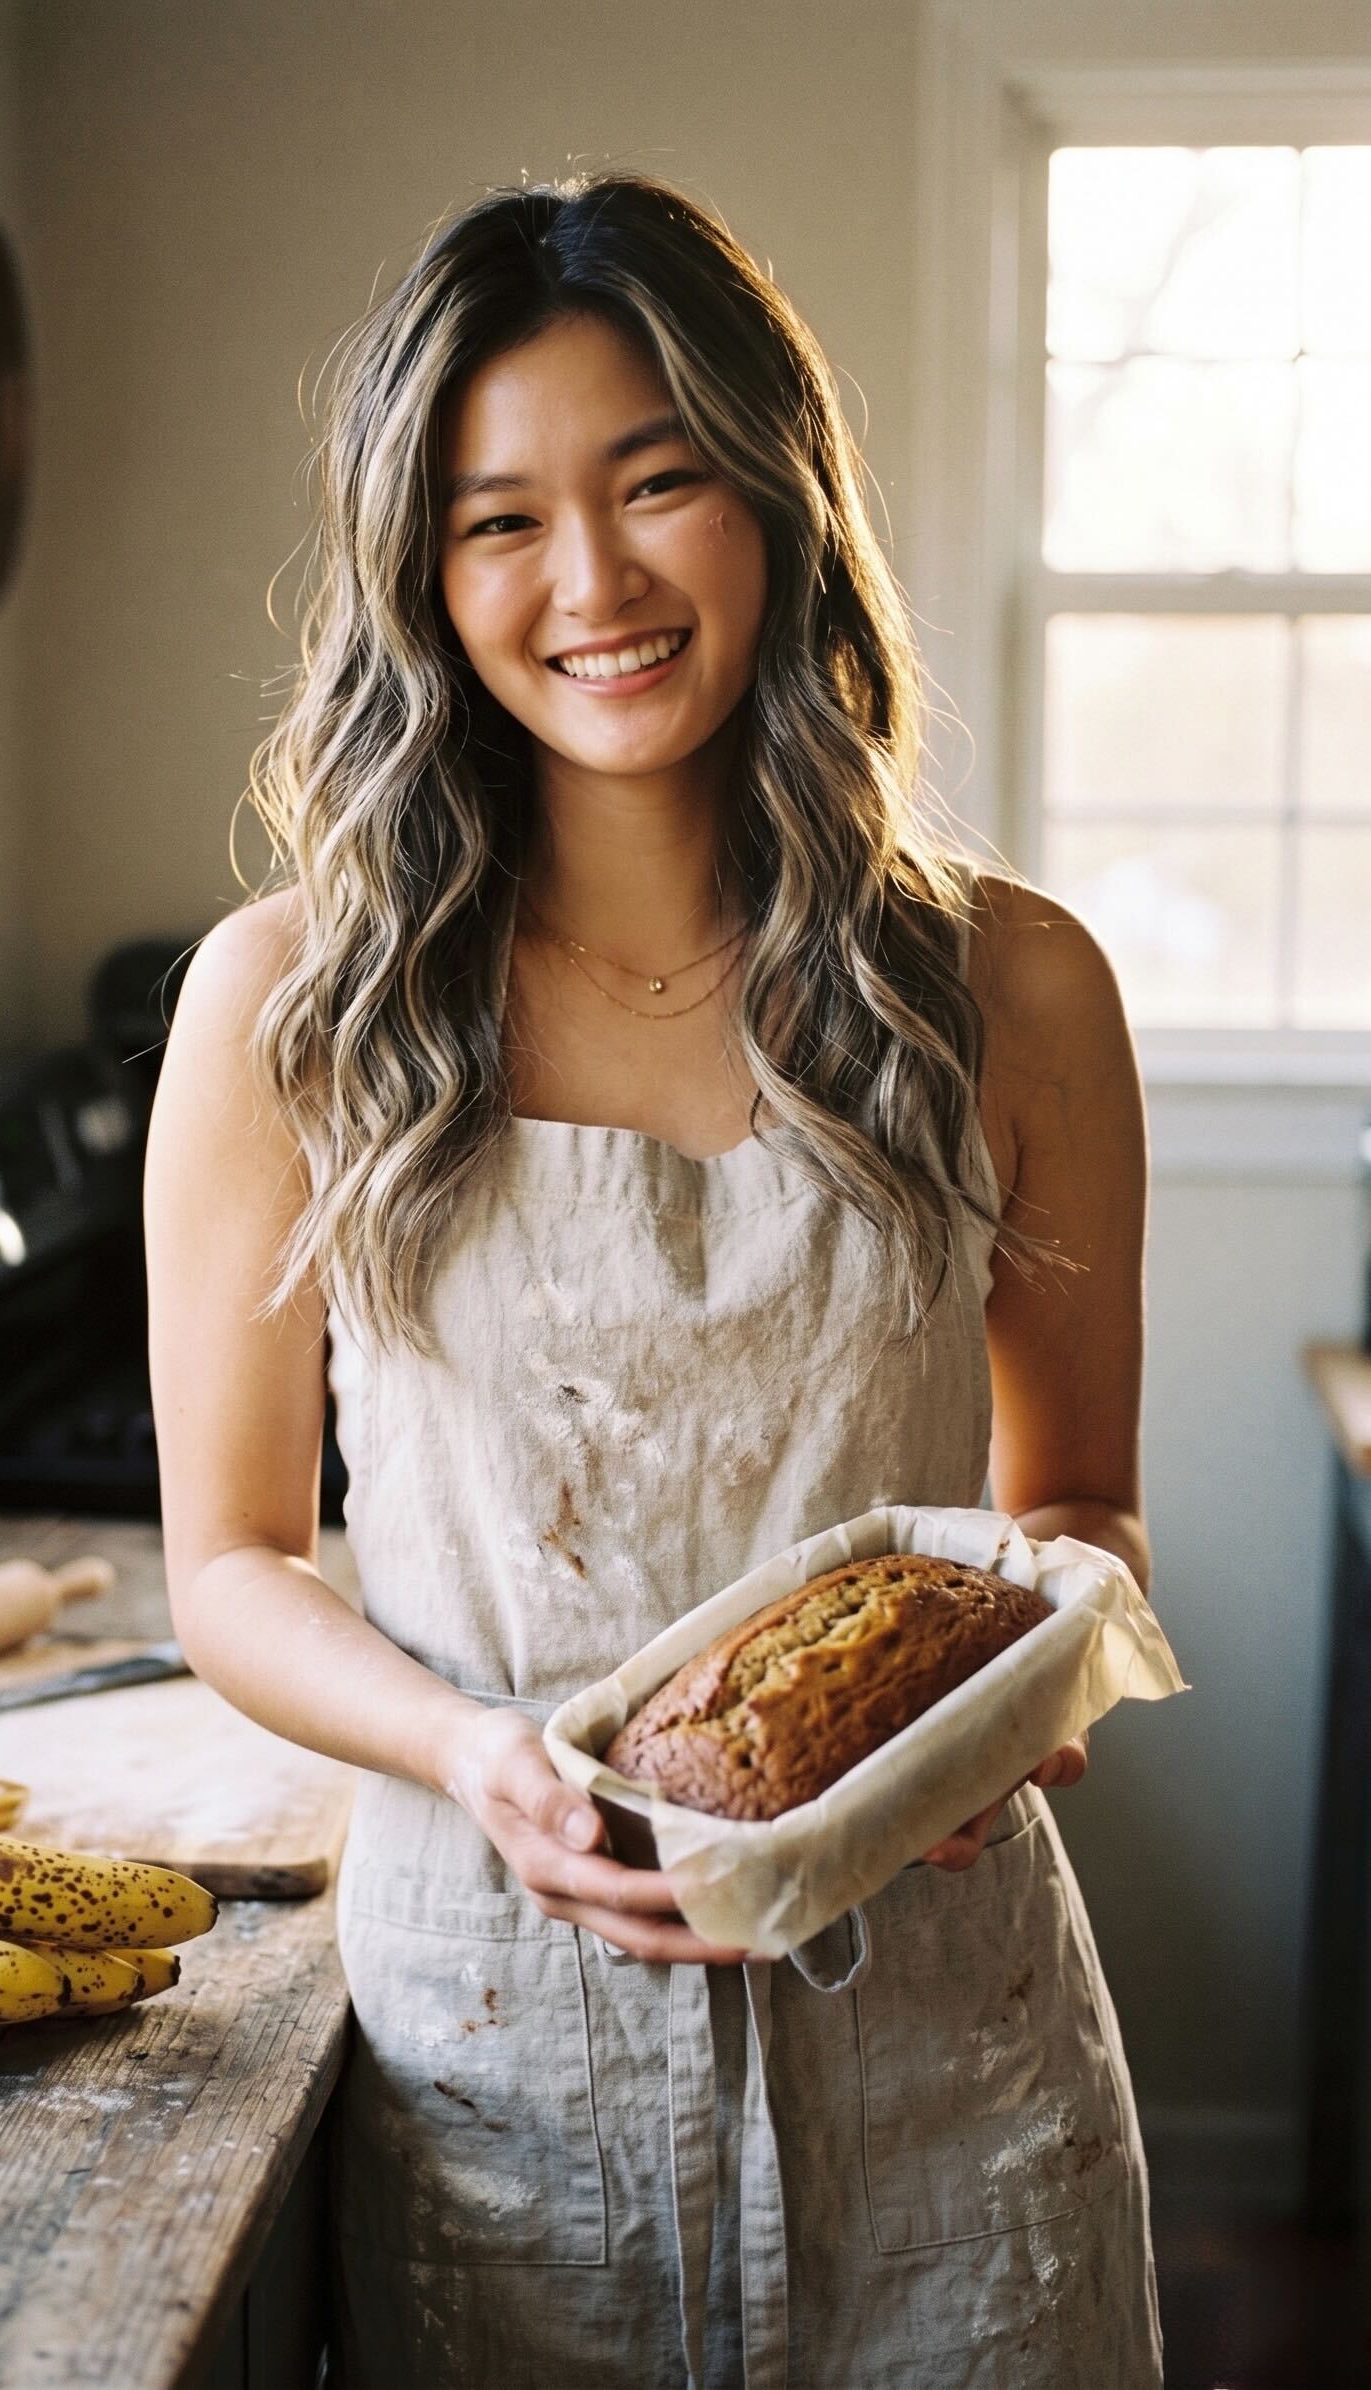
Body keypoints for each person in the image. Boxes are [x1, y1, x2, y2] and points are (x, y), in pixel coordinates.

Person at [145, 170, 1160, 2390]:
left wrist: (1010, 1707)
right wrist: (466, 1748)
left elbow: (1071, 1508)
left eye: (656, 481)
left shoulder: (1012, 988)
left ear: (776, 499)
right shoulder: (290, 1009)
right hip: (496, 2058)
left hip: (948, 2076)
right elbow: (224, 1562)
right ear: (420, 576)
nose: (588, 581)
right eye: (498, 519)